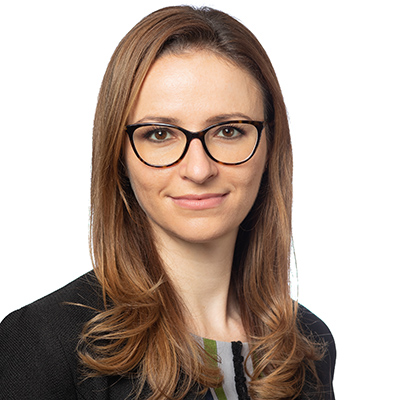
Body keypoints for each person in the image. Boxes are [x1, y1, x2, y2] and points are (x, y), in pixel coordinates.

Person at [0, 5, 335, 400]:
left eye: (229, 131)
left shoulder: (306, 344)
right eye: (160, 134)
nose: (199, 169)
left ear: (270, 145)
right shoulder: (42, 343)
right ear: (119, 154)